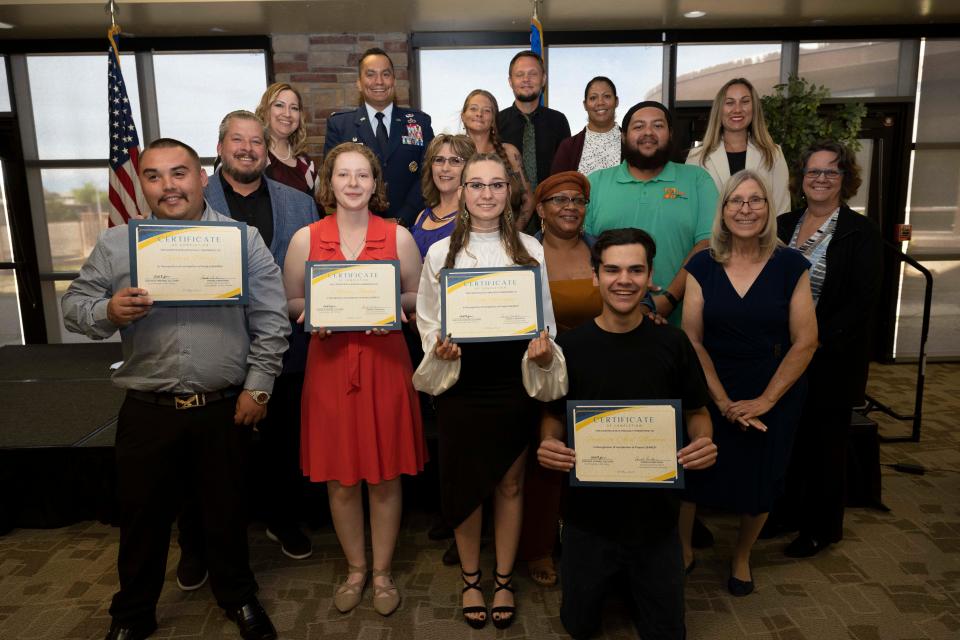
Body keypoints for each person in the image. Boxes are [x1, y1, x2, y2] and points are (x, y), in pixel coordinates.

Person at [62, 138, 289, 640]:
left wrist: (259, 387)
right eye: (154, 176)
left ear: (202, 177)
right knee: (141, 520)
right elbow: (73, 305)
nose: (169, 186)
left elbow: (272, 321)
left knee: (227, 514)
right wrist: (106, 311)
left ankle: (238, 597)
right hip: (149, 408)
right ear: (141, 182)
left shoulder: (241, 239)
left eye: (179, 173)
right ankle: (132, 614)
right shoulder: (117, 244)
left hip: (223, 407)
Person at [537, 228, 717, 640]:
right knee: (578, 627)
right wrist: (549, 443)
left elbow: (698, 412)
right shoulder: (571, 347)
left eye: (635, 270)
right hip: (588, 519)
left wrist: (702, 441)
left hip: (654, 520)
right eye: (613, 269)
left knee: (668, 632)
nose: (624, 280)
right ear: (595, 276)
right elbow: (552, 416)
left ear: (651, 275)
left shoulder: (672, 344)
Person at [415, 151, 562, 629]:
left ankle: (502, 579)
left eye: (495, 185)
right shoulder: (441, 254)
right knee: (466, 487)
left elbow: (546, 322)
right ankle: (471, 579)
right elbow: (429, 323)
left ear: (509, 192)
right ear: (461, 190)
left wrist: (543, 351)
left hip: (511, 381)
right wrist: (440, 351)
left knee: (511, 482)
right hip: (463, 383)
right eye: (476, 185)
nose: (486, 194)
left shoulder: (531, 250)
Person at [283, 142, 427, 617]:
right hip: (328, 369)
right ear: (329, 182)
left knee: (385, 476)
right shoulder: (306, 237)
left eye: (362, 175)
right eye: (343, 175)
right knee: (341, 481)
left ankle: (383, 573)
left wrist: (388, 307)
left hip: (385, 367)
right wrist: (315, 315)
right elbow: (290, 304)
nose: (352, 184)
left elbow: (414, 298)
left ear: (375, 183)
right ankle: (356, 569)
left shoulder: (398, 236)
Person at [181, 110, 317, 567]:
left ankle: (282, 518)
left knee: (283, 441)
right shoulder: (191, 199)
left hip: (285, 346)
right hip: (213, 344)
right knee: (209, 454)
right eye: (237, 140)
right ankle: (198, 543)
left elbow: (311, 273)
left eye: (256, 141)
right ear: (219, 147)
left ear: (267, 150)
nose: (247, 148)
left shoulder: (298, 201)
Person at [679, 170, 818, 597]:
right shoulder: (702, 263)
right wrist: (720, 401)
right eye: (736, 201)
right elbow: (692, 339)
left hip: (773, 382)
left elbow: (806, 340)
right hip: (709, 380)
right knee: (690, 469)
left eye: (755, 200)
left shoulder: (790, 264)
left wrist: (763, 401)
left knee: (762, 478)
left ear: (768, 209)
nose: (745, 209)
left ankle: (741, 556)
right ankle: (682, 549)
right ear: (723, 210)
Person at [775, 141, 884, 557]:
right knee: (788, 440)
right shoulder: (783, 224)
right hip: (781, 354)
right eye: (812, 172)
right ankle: (784, 514)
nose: (820, 179)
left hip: (831, 358)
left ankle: (821, 528)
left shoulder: (860, 232)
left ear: (845, 180)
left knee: (823, 446)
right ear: (801, 179)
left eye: (830, 172)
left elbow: (861, 303)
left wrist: (814, 342)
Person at [518, 171, 601, 588]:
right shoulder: (522, 251)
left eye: (578, 200)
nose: (570, 206)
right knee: (546, 463)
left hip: (594, 368)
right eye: (559, 200)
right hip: (543, 366)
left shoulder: (599, 249)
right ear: (542, 210)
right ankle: (538, 547)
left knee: (591, 457)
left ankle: (587, 540)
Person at [585, 100, 718, 324]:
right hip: (608, 322)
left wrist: (667, 299)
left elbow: (707, 244)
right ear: (623, 136)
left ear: (670, 134)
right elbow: (584, 249)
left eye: (658, 126)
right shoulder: (596, 182)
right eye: (638, 126)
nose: (648, 133)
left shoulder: (697, 180)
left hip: (683, 321)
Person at [323, 47, 435, 225]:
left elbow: (428, 176)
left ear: (394, 80)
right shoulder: (339, 126)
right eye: (370, 74)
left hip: (411, 225)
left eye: (386, 74)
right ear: (359, 83)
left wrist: (403, 219)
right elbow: (333, 178)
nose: (379, 81)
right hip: (358, 226)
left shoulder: (419, 123)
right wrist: (369, 222)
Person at [685, 77, 790, 214]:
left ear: (754, 108)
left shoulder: (773, 154)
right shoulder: (697, 157)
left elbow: (781, 212)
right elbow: (689, 212)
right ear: (719, 110)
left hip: (761, 236)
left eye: (745, 102)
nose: (737, 109)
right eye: (729, 103)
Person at [496, 50, 571, 229]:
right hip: (507, 218)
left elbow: (565, 172)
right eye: (520, 75)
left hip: (552, 218)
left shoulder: (558, 121)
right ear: (510, 81)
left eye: (533, 74)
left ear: (543, 79)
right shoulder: (497, 122)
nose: (526, 79)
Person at [461, 89, 534, 228]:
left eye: (487, 110)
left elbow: (529, 200)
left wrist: (514, 235)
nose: (479, 114)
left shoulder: (510, 153)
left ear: (494, 119)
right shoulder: (454, 155)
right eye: (473, 109)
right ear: (463, 116)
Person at [410, 134, 476, 258]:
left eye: (455, 161)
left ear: (469, 168)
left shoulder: (474, 218)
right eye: (439, 160)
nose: (445, 168)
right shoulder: (422, 216)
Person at [254, 82, 318, 197]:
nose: (287, 114)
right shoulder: (252, 155)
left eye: (294, 108)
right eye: (279, 105)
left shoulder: (306, 164)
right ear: (265, 110)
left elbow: (316, 206)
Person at [551, 76, 622, 176]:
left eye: (607, 96)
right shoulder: (568, 147)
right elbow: (557, 188)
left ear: (616, 101)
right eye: (593, 98)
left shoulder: (632, 144)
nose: (600, 102)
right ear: (585, 105)